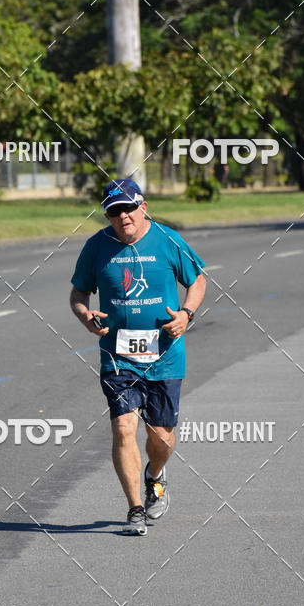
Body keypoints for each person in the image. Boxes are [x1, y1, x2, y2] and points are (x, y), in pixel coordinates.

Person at [69, 179, 207, 536]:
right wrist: (85, 315)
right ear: (107, 216)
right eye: (114, 211)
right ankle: (134, 510)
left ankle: (155, 475)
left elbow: (197, 280)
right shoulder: (96, 246)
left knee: (161, 437)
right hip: (118, 357)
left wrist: (186, 314)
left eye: (128, 208)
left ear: (143, 207)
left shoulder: (167, 240)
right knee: (123, 426)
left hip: (165, 355)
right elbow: (78, 294)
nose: (123, 216)